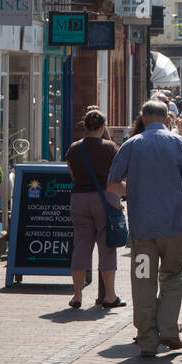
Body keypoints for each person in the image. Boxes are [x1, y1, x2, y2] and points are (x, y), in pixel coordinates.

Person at [106, 100, 182, 357]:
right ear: (167, 118)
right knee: (172, 276)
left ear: (143, 117)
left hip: (142, 230)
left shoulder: (131, 145)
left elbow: (112, 184)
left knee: (143, 280)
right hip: (174, 226)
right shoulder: (180, 144)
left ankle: (148, 338)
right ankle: (170, 329)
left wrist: (132, 192)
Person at [64, 107, 123, 310]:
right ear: (103, 126)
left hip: (79, 198)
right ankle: (110, 296)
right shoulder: (110, 147)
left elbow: (72, 175)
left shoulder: (74, 148)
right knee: (107, 248)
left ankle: (77, 295)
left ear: (85, 126)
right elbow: (118, 174)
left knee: (81, 246)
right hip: (105, 199)